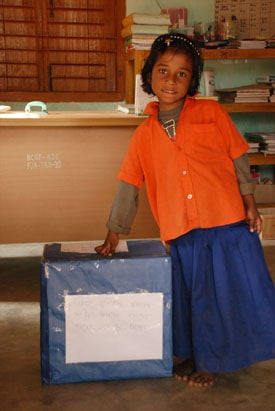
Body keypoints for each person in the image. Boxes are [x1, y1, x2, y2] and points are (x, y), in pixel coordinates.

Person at [95, 33, 275, 387]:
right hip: (182, 230)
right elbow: (129, 183)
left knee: (229, 292)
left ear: (193, 80)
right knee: (194, 297)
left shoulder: (210, 112)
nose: (171, 80)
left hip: (226, 223)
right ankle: (198, 353)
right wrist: (114, 231)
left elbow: (238, 156)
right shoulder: (144, 134)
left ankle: (212, 360)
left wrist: (250, 204)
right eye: (163, 71)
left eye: (181, 73)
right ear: (149, 77)